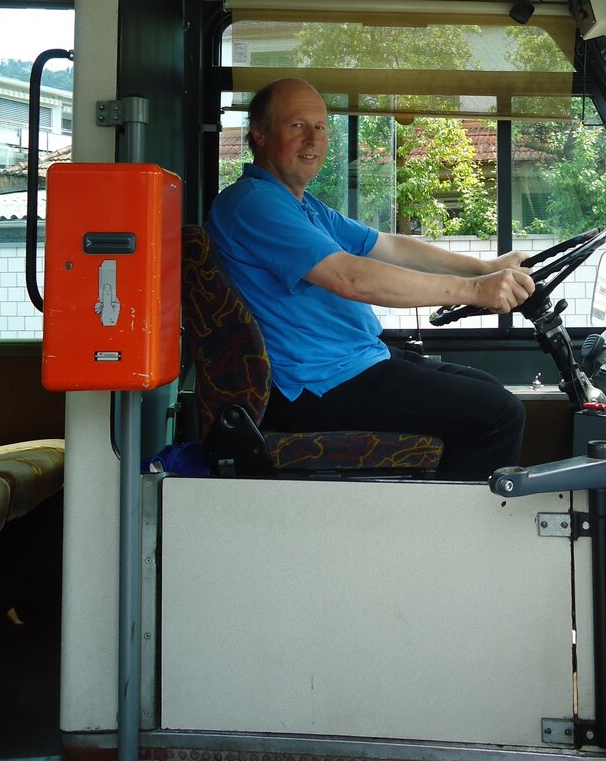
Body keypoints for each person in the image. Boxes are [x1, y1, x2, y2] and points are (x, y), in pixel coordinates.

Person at [206, 77, 536, 480]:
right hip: (315, 384)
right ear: (259, 134)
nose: (313, 139)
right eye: (297, 126)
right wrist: (474, 291)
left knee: (488, 389)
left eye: (321, 126)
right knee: (497, 414)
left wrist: (484, 267)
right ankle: (455, 540)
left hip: (350, 361)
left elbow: (388, 246)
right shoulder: (253, 204)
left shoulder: (301, 205)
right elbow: (351, 278)